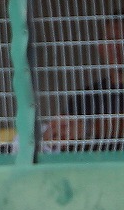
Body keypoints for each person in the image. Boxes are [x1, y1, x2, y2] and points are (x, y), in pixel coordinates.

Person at [42, 15, 124, 152]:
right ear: (100, 46)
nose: (115, 47)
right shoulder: (85, 97)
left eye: (122, 40)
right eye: (110, 40)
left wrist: (88, 128)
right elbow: (64, 133)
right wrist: (53, 134)